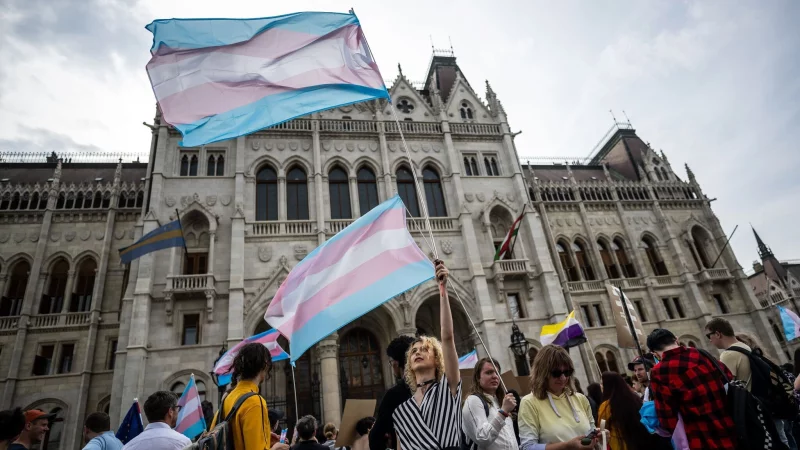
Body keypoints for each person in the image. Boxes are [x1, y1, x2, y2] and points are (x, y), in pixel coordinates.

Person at [392, 260, 462, 450]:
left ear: (437, 359)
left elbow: (447, 338)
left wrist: (443, 290)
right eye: (414, 351)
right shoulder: (402, 410)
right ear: (409, 364)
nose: (418, 352)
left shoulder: (448, 387)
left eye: (424, 349)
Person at [647, 328, 736, 450]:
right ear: (677, 340)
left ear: (654, 354)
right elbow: (728, 378)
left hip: (700, 436)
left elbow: (667, 414)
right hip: (731, 427)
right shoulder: (701, 354)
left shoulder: (659, 372)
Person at [209, 342, 289, 450]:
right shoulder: (254, 402)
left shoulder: (228, 398)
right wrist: (276, 448)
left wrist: (265, 436)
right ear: (265, 365)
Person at [518, 344, 598, 450]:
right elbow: (527, 447)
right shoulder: (529, 402)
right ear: (542, 373)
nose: (563, 377)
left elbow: (591, 433)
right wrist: (566, 446)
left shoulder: (581, 399)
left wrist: (598, 436)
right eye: (556, 373)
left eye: (567, 372)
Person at [369, 335, 414, 450]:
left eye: (391, 361)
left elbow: (375, 436)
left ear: (396, 363)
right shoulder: (430, 388)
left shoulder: (394, 395)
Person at [462, 358, 517, 450]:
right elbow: (482, 438)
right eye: (489, 372)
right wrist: (503, 412)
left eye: (497, 373)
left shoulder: (500, 401)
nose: (495, 376)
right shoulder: (473, 401)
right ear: (478, 378)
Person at [598, 372, 652, 450]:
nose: (601, 386)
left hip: (620, 445)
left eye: (603, 384)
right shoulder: (634, 398)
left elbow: (602, 428)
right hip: (641, 442)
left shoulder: (606, 406)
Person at [122, 391, 191, 450]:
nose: (178, 412)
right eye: (177, 408)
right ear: (170, 412)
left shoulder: (128, 446)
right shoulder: (183, 443)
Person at [705, 318, 752, 391]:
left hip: (747, 400)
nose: (710, 340)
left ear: (717, 334)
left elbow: (725, 386)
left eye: (708, 336)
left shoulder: (728, 354)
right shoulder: (744, 346)